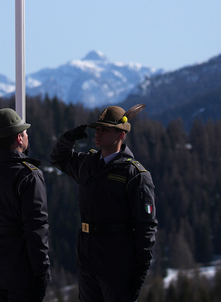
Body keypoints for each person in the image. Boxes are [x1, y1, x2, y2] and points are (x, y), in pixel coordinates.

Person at [50, 104, 157, 302]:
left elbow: (146, 228)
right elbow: (58, 158)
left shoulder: (134, 175)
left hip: (117, 263)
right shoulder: (87, 164)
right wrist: (68, 139)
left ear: (120, 135)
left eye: (104, 129)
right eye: (97, 128)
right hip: (87, 258)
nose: (98, 133)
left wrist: (139, 273)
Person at [0, 103, 50, 302]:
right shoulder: (29, 175)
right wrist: (42, 269)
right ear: (19, 138)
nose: (27, 135)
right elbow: (36, 226)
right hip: (21, 262)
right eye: (25, 132)